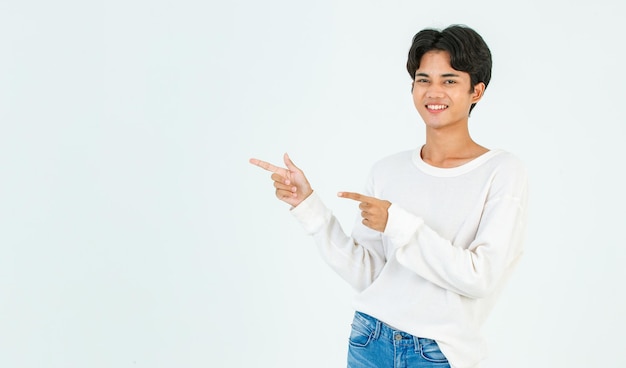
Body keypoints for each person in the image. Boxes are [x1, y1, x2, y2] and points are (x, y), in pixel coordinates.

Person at [249, 24, 528, 368]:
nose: (433, 92)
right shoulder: (387, 170)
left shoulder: (502, 171)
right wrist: (308, 206)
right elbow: (369, 274)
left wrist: (398, 224)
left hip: (439, 352)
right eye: (424, 80)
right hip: (370, 339)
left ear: (477, 91)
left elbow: (480, 277)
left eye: (449, 80)